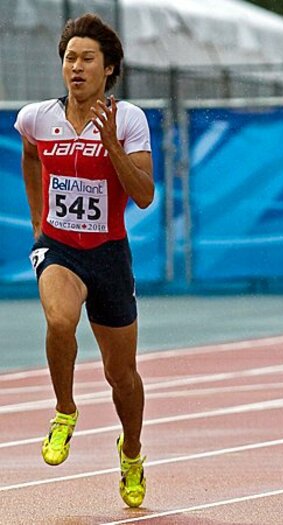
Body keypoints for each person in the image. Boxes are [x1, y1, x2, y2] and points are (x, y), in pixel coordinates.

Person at [14, 13, 153, 507]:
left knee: (123, 377)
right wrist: (37, 219)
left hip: (110, 255)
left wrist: (110, 141)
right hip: (59, 247)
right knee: (59, 319)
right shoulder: (36, 116)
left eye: (87, 59)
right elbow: (30, 154)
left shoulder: (129, 119)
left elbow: (143, 195)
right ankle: (65, 410)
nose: (76, 67)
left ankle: (131, 451)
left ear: (109, 68)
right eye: (70, 58)